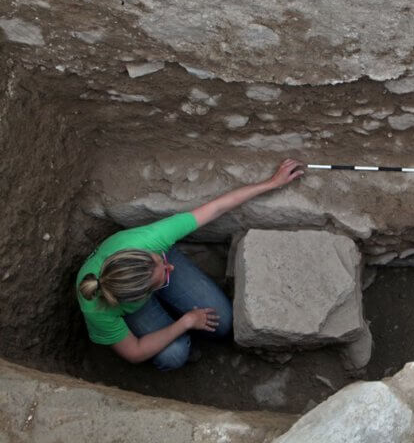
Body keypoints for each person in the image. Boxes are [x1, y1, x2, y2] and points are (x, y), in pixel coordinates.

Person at [76, 158, 304, 371]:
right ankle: (178, 329)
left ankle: (168, 294)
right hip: (134, 300)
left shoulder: (147, 242)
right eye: (164, 276)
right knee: (173, 356)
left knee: (222, 322)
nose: (171, 269)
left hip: (143, 276)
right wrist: (185, 323)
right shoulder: (97, 309)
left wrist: (271, 183)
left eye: (161, 261)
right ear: (140, 296)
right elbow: (134, 352)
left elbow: (216, 208)